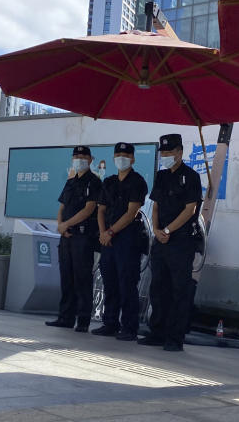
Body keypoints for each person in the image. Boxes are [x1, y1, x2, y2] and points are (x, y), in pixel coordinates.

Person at [138, 134, 202, 352]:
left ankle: (175, 338)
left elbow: (190, 209)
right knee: (158, 288)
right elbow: (155, 205)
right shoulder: (162, 176)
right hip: (161, 241)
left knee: (179, 290)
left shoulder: (191, 176)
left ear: (180, 152)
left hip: (181, 241)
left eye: (169, 152)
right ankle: (158, 332)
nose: (166, 156)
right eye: (163, 153)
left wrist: (167, 230)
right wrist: (156, 230)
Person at [91, 142, 149, 341]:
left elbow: (132, 212)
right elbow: (101, 210)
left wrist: (111, 232)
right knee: (110, 282)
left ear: (132, 159)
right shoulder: (109, 182)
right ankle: (110, 323)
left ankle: (129, 327)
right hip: (107, 239)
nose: (121, 158)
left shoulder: (137, 181)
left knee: (127, 283)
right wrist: (102, 233)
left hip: (127, 239)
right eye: (118, 155)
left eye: (125, 155)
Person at [46, 146, 102, 332]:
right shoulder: (70, 182)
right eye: (76, 156)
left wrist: (67, 224)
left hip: (83, 236)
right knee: (66, 277)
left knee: (82, 278)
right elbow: (61, 207)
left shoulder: (94, 181)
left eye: (83, 156)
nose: (79, 159)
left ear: (90, 159)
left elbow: (89, 209)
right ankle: (65, 317)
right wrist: (61, 226)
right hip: (66, 237)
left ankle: (83, 320)